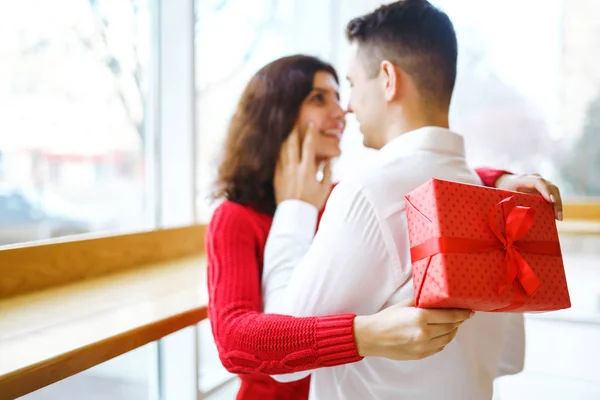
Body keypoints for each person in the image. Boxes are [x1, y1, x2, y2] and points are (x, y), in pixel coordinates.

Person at [206, 55, 563, 399]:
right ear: (274, 113)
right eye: (318, 98)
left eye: (338, 94)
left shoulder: (338, 199)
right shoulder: (236, 216)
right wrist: (363, 335)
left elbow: (407, 183)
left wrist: (493, 179)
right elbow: (234, 341)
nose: (341, 109)